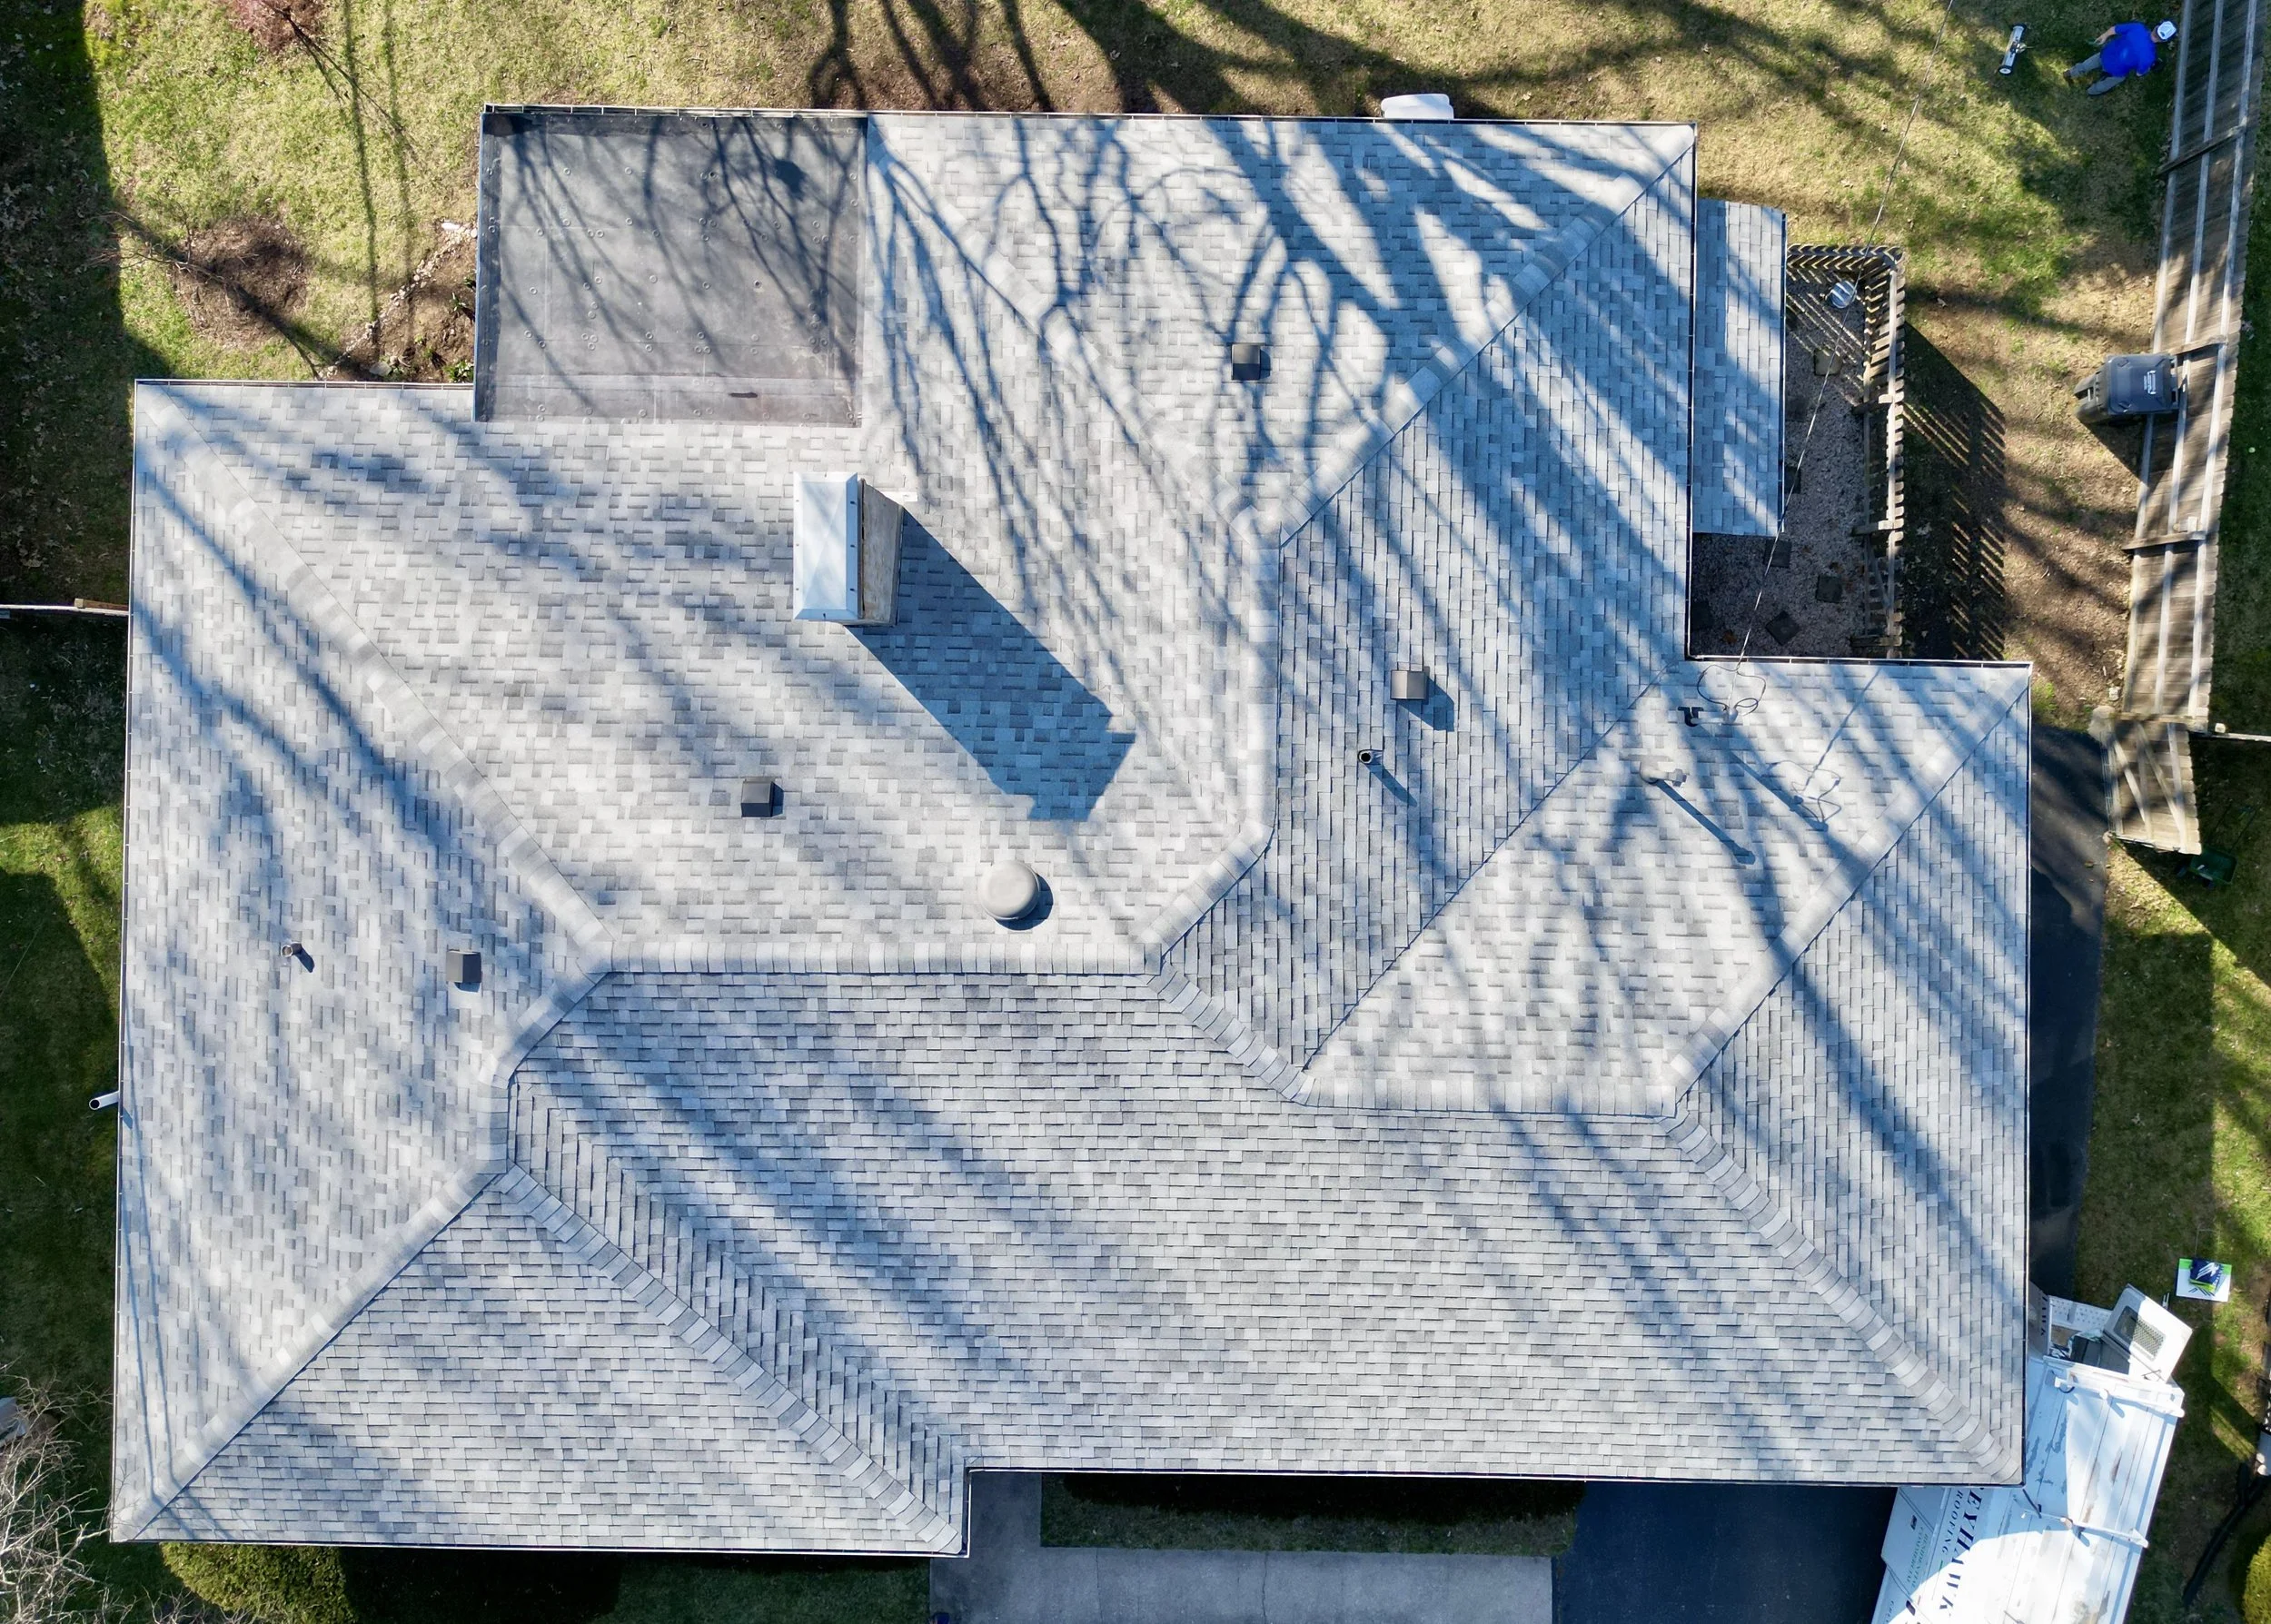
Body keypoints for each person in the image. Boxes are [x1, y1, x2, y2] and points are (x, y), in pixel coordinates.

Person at [2067, 19, 2177, 94]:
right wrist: (2149, 67)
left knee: (2086, 65)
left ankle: (2070, 73)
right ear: (2164, 40)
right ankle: (2092, 91)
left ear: (2156, 27)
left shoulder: (2137, 28)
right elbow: (2139, 73)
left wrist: (2104, 36)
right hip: (2117, 71)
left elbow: (2114, 29)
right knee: (2107, 84)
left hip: (2105, 55)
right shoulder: (2149, 57)